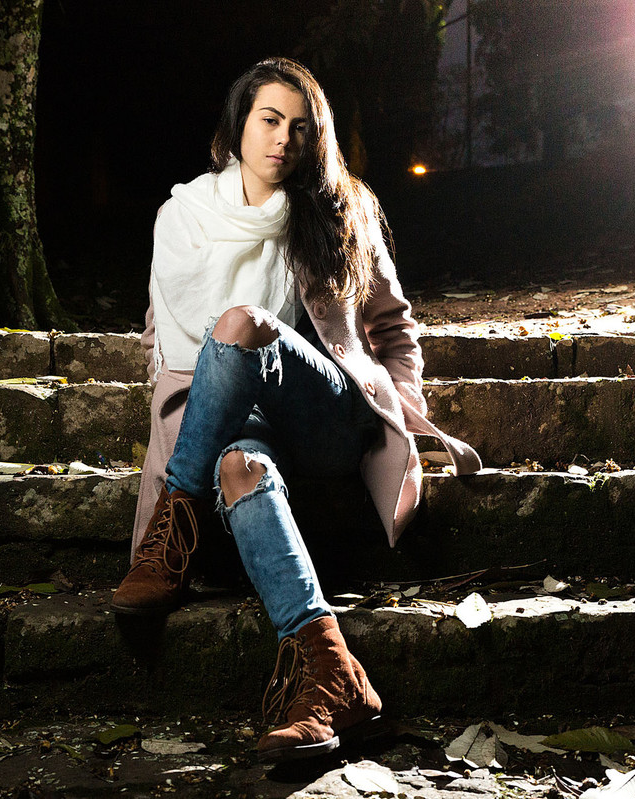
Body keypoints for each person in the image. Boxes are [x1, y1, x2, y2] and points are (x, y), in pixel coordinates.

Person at [111, 57, 481, 762]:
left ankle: (175, 517)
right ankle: (330, 672)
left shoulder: (344, 207)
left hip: (326, 414)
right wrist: (191, 424)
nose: (283, 138)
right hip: (235, 421)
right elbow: (162, 345)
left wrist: (403, 412)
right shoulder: (184, 216)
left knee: (242, 322)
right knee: (241, 467)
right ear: (237, 127)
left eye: (301, 127)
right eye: (269, 120)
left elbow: (395, 328)